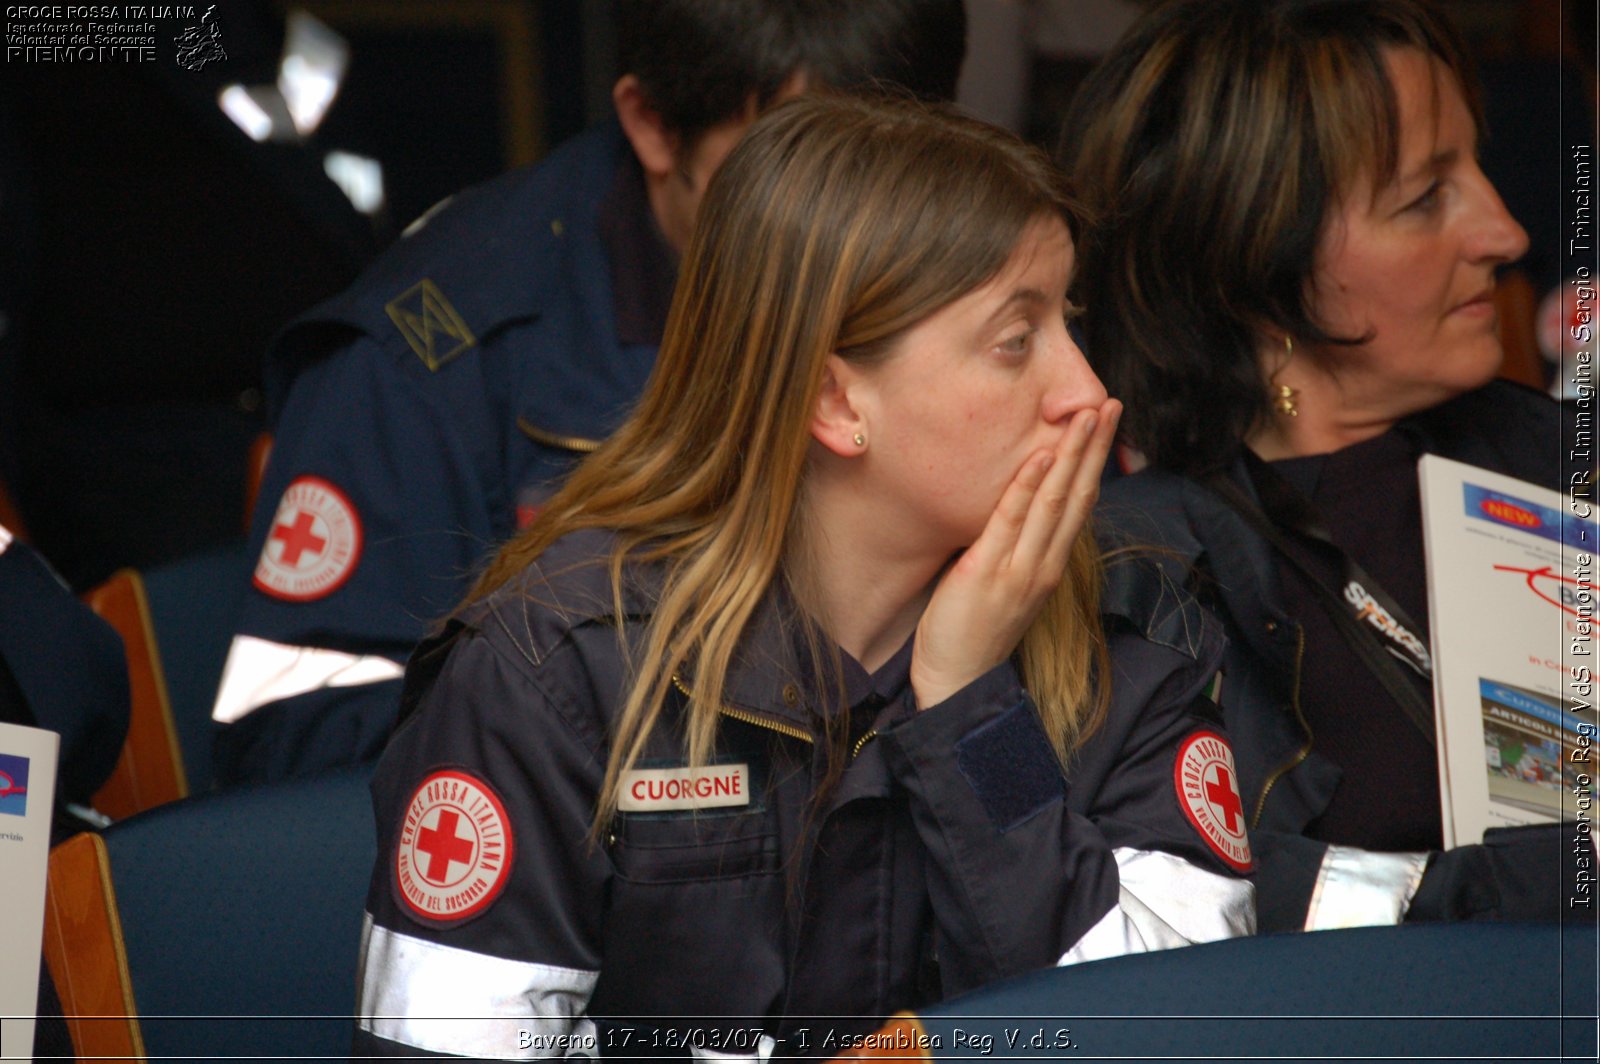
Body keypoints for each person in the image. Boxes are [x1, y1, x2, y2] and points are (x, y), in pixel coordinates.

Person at [353, 95, 1255, 1059]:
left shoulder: (1138, 632)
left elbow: (1168, 1037)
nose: (1085, 392)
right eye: (1015, 340)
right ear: (834, 397)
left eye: (1069, 322)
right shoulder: (555, 675)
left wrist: (976, 716)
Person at [210, 0, 968, 787]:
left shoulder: (1005, 318)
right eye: (799, 184)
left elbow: (1059, 748)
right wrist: (665, 781)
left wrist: (979, 748)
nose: (855, 239)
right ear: (649, 123)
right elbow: (296, 750)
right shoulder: (432, 355)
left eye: (899, 180)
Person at [1061, 0, 1586, 932]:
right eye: (1425, 197)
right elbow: (1219, 917)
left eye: (1476, 165)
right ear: (1258, 276)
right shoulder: (1148, 578)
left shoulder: (1556, 468)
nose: (1505, 232)